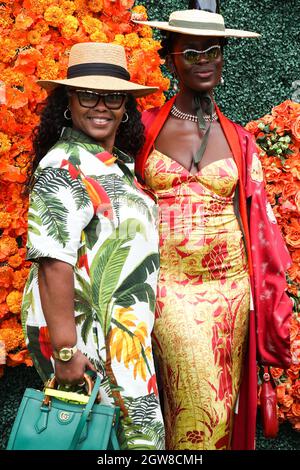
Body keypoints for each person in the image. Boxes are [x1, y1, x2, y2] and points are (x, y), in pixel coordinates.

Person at [134, 9, 292, 450]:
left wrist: (271, 295)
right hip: (169, 288)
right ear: (171, 59)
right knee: (196, 409)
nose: (203, 60)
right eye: (191, 52)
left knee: (221, 407)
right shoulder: (142, 129)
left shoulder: (240, 140)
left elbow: (261, 225)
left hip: (231, 291)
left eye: (213, 52)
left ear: (223, 59)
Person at [21, 42, 165, 450]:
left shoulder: (111, 164)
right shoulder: (63, 165)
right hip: (91, 342)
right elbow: (53, 262)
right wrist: (66, 355)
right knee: (137, 444)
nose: (100, 106)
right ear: (68, 100)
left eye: (113, 96)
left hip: (123, 341)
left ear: (125, 105)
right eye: (88, 94)